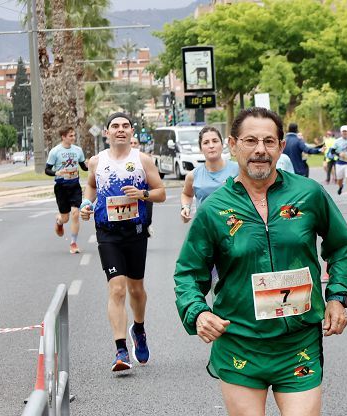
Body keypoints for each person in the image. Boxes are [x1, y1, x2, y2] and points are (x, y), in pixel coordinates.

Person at [173, 106, 347, 416]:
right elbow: (188, 273)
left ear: (280, 145)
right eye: (250, 141)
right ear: (233, 145)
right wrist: (198, 313)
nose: (260, 150)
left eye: (269, 141)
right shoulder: (215, 210)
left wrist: (337, 296)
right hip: (239, 343)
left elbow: (341, 245)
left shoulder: (309, 194)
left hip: (297, 340)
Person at [79, 112, 167, 372]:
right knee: (116, 288)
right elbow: (92, 188)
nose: (120, 130)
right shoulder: (97, 161)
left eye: (125, 126)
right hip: (107, 232)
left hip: (135, 230)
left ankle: (138, 329)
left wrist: (142, 193)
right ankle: (120, 350)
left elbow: (161, 193)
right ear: (106, 132)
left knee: (136, 290)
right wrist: (86, 205)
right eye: (115, 126)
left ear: (131, 132)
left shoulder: (143, 160)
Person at [180, 126, 239, 223]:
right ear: (200, 148)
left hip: (234, 229)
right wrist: (185, 207)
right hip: (205, 229)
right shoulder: (193, 175)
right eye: (206, 142)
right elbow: (186, 194)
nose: (211, 146)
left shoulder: (238, 170)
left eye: (215, 141)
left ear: (222, 144)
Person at [45, 125, 87, 254]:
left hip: (74, 186)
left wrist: (93, 165)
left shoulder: (78, 150)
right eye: (71, 136)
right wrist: (57, 172)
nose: (73, 138)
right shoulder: (55, 151)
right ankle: (59, 221)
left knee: (75, 213)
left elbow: (83, 167)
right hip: (61, 187)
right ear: (63, 137)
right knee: (66, 218)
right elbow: (47, 170)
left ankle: (73, 243)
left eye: (74, 135)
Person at [332, 125, 347, 204]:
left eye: (346, 131)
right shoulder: (337, 141)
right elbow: (332, 151)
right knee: (339, 180)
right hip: (340, 163)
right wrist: (339, 154)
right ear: (341, 133)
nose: (345, 133)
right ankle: (340, 186)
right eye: (343, 131)